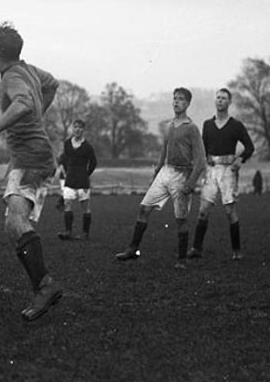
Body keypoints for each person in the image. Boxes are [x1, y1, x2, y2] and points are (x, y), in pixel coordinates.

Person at [0, 22, 63, 322]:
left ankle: (45, 286)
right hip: (32, 156)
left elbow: (23, 102)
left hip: (31, 158)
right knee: (14, 223)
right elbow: (53, 84)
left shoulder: (12, 76)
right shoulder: (31, 71)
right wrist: (39, 113)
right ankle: (43, 286)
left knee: (15, 223)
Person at [115, 88, 205, 268]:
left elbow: (201, 160)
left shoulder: (192, 128)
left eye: (180, 99)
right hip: (166, 172)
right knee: (143, 208)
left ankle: (181, 260)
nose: (176, 102)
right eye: (174, 98)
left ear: (187, 104)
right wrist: (156, 174)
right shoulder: (169, 126)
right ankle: (133, 249)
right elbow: (163, 152)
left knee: (181, 218)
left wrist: (190, 184)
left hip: (182, 175)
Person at [189, 87, 256, 261]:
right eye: (218, 98)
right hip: (211, 171)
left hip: (228, 171)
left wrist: (240, 160)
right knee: (203, 211)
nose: (220, 100)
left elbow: (249, 147)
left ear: (229, 102)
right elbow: (203, 148)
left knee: (229, 211)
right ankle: (196, 248)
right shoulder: (208, 125)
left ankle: (237, 251)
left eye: (224, 98)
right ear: (215, 101)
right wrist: (204, 160)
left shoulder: (236, 125)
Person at [55, 118, 97, 240]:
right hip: (70, 180)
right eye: (75, 127)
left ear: (83, 130)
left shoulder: (88, 147)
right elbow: (64, 160)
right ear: (72, 129)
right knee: (67, 204)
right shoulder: (67, 144)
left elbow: (93, 163)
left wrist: (86, 174)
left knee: (85, 207)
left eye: (80, 127)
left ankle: (85, 233)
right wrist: (66, 172)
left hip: (83, 181)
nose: (77, 129)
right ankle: (68, 231)